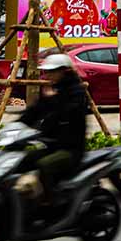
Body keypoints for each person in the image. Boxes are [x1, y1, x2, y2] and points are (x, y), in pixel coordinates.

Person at [18, 53, 88, 209]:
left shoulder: (76, 92)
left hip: (70, 149)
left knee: (45, 165)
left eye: (52, 71)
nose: (48, 75)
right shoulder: (52, 90)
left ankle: (53, 203)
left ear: (64, 71)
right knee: (23, 159)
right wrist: (16, 126)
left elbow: (69, 113)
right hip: (50, 144)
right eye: (47, 72)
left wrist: (54, 99)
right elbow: (34, 111)